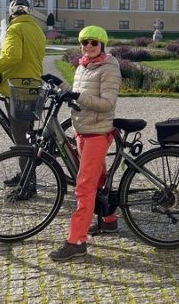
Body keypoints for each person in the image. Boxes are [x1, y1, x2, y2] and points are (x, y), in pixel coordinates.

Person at [48, 25, 122, 261]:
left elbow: (107, 103)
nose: (88, 46)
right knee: (99, 178)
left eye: (93, 43)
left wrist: (77, 96)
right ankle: (109, 221)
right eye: (84, 42)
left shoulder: (109, 67)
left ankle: (76, 241)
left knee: (84, 186)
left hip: (98, 131)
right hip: (83, 129)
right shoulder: (84, 65)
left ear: (102, 45)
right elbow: (78, 94)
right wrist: (60, 85)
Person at [0, 0, 46, 185]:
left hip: (18, 89)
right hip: (33, 86)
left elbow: (11, 56)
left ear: (11, 13)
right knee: (26, 136)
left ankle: (27, 183)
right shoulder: (37, 30)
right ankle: (26, 175)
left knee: (20, 140)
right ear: (28, 12)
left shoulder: (15, 29)